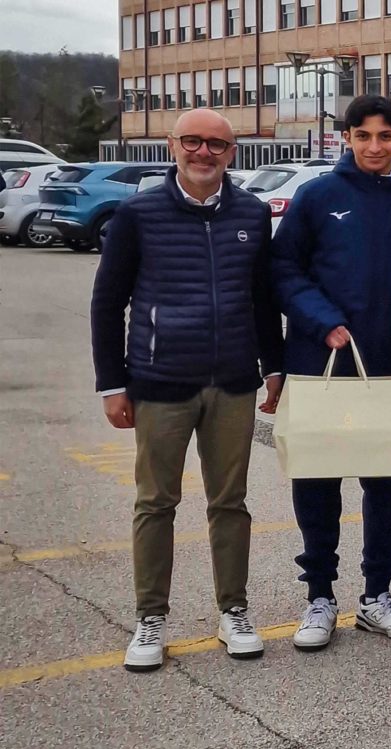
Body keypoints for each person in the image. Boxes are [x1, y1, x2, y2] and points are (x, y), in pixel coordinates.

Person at [90, 108, 282, 672]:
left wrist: (274, 366)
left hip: (233, 381)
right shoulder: (138, 214)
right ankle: (150, 617)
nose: (204, 153)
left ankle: (234, 611)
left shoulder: (251, 213)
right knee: (156, 502)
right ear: (172, 145)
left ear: (232, 153)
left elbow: (263, 297)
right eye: (193, 141)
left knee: (230, 502)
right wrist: (112, 383)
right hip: (160, 382)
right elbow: (107, 303)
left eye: (216, 144)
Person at [271, 95, 391, 650]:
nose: (374, 146)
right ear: (346, 138)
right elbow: (283, 269)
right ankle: (319, 595)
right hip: (322, 361)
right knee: (317, 480)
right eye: (363, 136)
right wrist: (323, 321)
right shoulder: (318, 196)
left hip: (390, 366)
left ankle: (377, 595)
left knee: (385, 483)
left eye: (386, 136)